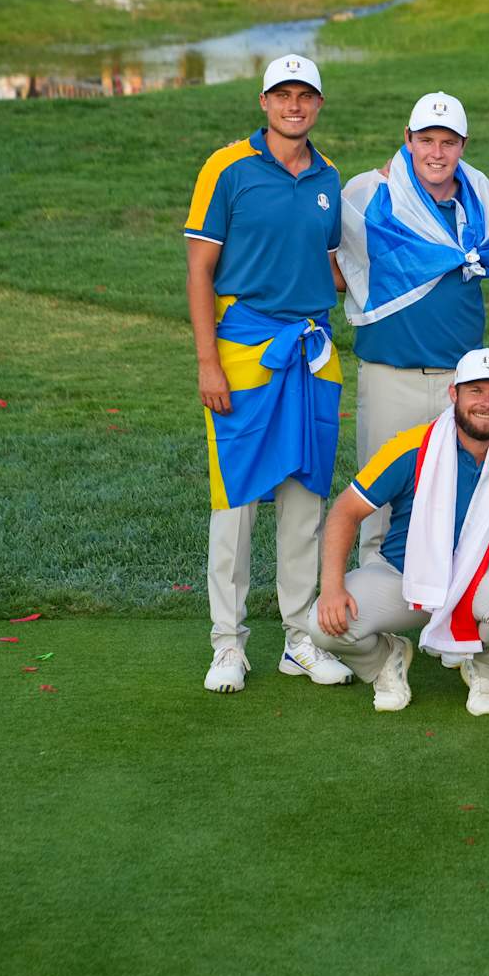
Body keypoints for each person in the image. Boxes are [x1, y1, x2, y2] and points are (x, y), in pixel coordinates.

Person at [183, 54, 351, 694]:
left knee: (305, 500)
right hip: (244, 349)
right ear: (263, 101)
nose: (294, 105)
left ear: (318, 104)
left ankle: (300, 638)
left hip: (312, 350)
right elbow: (200, 269)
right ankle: (228, 643)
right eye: (282, 95)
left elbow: (330, 260)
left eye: (305, 95)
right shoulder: (226, 169)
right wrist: (207, 362)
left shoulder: (329, 178)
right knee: (236, 505)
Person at [338, 91, 489, 568]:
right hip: (390, 376)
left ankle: (453, 615)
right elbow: (336, 263)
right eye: (426, 140)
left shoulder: (482, 204)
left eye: (448, 142)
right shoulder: (370, 196)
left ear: (463, 144)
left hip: (459, 384)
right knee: (379, 503)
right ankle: (375, 619)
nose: (436, 153)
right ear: (408, 139)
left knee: (458, 500)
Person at [310, 348, 489, 716]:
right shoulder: (411, 446)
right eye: (475, 391)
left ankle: (483, 669)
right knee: (323, 626)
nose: (487, 403)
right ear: (454, 394)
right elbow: (345, 511)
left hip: (478, 576)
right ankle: (386, 659)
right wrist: (332, 587)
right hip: (403, 576)